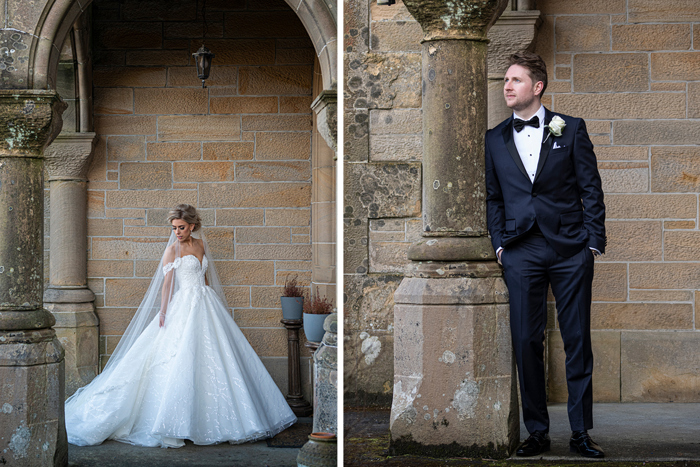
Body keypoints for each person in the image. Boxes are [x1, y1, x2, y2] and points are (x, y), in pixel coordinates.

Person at [65, 204, 297, 448]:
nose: (177, 231)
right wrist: (163, 312)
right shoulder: (171, 251)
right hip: (183, 305)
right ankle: (174, 422)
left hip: (206, 303)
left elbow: (205, 276)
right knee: (180, 355)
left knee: (216, 356)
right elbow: (167, 284)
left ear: (192, 226)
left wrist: (211, 297)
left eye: (181, 227)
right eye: (174, 228)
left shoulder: (201, 245)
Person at [484, 52, 606, 458]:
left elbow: (591, 188)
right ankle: (536, 432)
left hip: (571, 249)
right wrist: (500, 244)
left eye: (515, 80)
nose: (507, 86)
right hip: (521, 251)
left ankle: (580, 433)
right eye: (505, 80)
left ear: (537, 87)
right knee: (525, 340)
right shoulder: (494, 138)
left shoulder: (570, 129)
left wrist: (593, 242)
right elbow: (494, 197)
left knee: (577, 340)